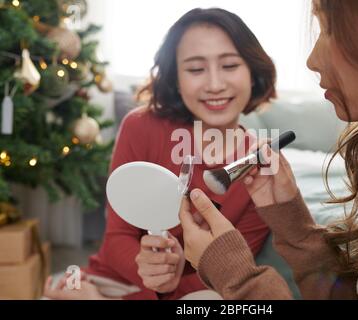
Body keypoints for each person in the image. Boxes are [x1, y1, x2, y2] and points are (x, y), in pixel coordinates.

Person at [176, 0, 358, 299]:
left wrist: (236, 276)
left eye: (329, 28)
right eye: (195, 68)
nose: (312, 60)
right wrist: (297, 229)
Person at [44, 7, 276, 300]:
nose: (215, 84)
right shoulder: (141, 126)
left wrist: (168, 283)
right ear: (175, 79)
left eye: (229, 66)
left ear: (253, 73)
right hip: (115, 279)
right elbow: (118, 238)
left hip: (192, 294)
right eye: (195, 69)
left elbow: (229, 274)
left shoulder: (263, 170)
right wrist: (150, 276)